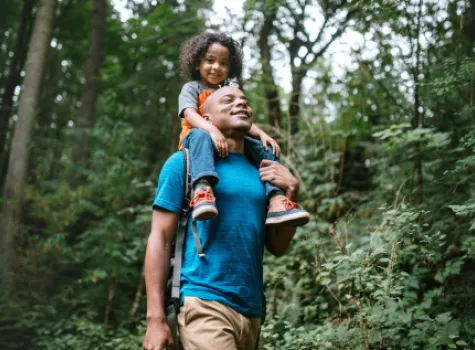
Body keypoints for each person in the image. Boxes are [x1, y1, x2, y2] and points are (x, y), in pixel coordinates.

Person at [143, 86, 304, 350]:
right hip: (203, 301)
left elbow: (277, 246)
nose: (241, 104)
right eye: (228, 100)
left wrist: (290, 192)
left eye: (245, 101)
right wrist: (155, 319)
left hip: (252, 311)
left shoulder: (263, 172)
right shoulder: (183, 164)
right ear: (205, 119)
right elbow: (160, 239)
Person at [177, 32, 309, 226]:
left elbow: (241, 120)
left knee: (266, 149)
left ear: (230, 69)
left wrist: (262, 134)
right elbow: (189, 114)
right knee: (199, 135)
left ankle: (276, 199)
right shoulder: (192, 88)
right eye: (210, 61)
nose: (216, 67)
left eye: (223, 63)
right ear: (197, 64)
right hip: (198, 141)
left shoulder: (227, 92)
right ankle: (202, 189)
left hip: (228, 142)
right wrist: (211, 129)